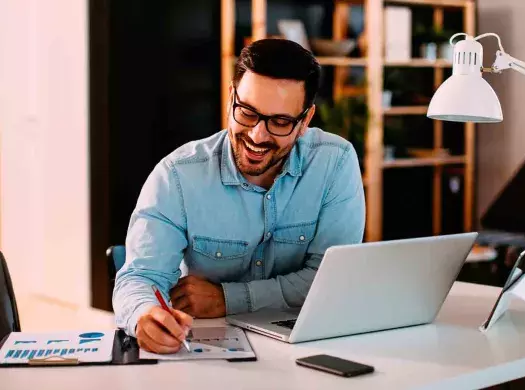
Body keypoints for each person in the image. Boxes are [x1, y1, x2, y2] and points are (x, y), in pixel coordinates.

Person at [113, 38, 365, 354]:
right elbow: (138, 279)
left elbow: (328, 279)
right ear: (232, 98)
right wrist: (144, 315)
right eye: (247, 112)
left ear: (305, 121)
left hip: (305, 348)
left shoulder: (335, 162)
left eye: (280, 122)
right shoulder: (178, 175)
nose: (258, 135)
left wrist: (228, 298)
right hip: (209, 352)